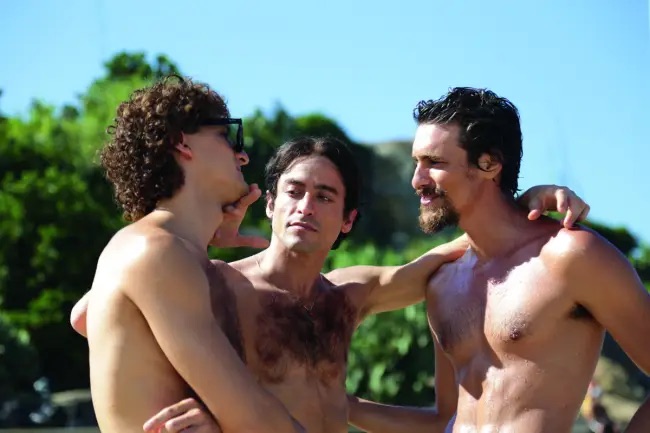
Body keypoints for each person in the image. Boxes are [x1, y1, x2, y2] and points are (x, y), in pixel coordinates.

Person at [71, 132, 591, 432]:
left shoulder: (347, 295)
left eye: (324, 197)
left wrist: (526, 206)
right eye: (293, 191)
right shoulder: (217, 281)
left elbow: (453, 251)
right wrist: (205, 242)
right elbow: (91, 313)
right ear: (269, 204)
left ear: (347, 220)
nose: (305, 206)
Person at [345, 87, 650, 433]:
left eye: (434, 163)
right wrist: (343, 406)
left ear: (489, 164)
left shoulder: (571, 256)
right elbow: (444, 420)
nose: (417, 180)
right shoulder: (443, 282)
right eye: (417, 163)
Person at [82, 75, 304, 433]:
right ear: (182, 142)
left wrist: (202, 238)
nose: (242, 154)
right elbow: (254, 417)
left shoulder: (152, 250)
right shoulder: (155, 251)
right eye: (225, 136)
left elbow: (83, 317)